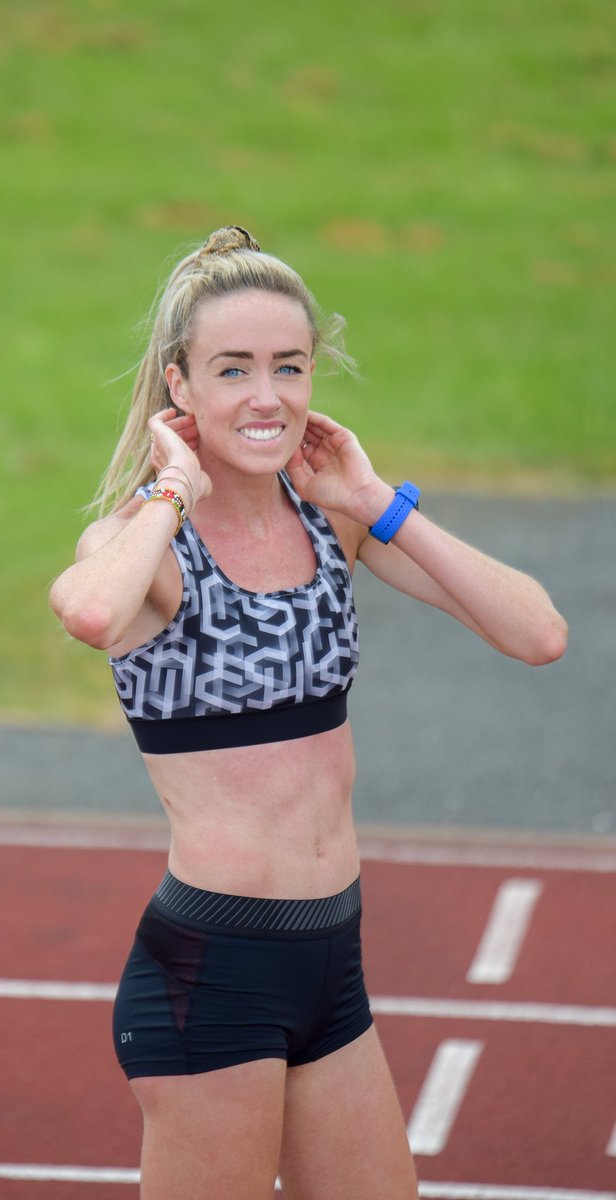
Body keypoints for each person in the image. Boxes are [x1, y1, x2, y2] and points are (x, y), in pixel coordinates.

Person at [50, 226, 567, 1200]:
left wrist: (375, 498)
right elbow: (86, 609)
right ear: (179, 387)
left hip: (331, 965)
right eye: (232, 369)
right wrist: (170, 485)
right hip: (216, 973)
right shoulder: (149, 545)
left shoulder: (328, 519)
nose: (265, 396)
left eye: (288, 367)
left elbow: (535, 632)